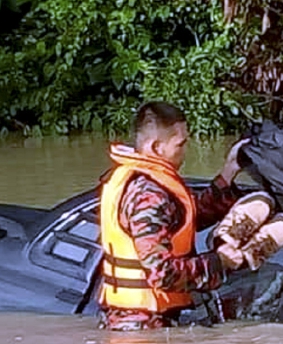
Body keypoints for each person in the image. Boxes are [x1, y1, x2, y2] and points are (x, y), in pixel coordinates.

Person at [98, 101, 249, 331]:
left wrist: (229, 172)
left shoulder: (137, 179)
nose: (185, 151)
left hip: (135, 323)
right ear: (156, 147)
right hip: (144, 330)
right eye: (181, 144)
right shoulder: (149, 195)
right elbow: (161, 273)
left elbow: (183, 221)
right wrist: (219, 262)